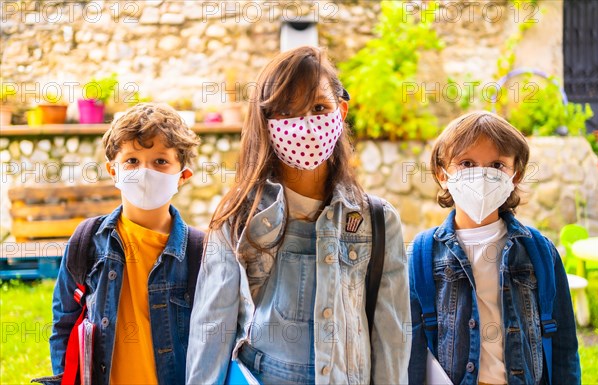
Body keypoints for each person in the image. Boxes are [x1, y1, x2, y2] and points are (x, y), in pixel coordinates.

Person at [186, 46, 411, 385]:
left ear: (341, 111)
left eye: (319, 107)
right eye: (288, 111)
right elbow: (212, 330)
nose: (306, 125)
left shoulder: (377, 221)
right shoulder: (238, 218)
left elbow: (392, 338)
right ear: (267, 123)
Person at [408, 110, 581, 384]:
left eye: (497, 166)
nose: (482, 175)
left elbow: (563, 346)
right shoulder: (421, 256)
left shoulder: (539, 252)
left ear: (516, 175)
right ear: (442, 175)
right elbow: (412, 351)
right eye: (466, 163)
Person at [46, 103, 202, 385]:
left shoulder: (199, 251)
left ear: (183, 176)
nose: (145, 172)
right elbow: (63, 325)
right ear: (112, 170)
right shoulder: (87, 241)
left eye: (160, 161)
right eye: (131, 160)